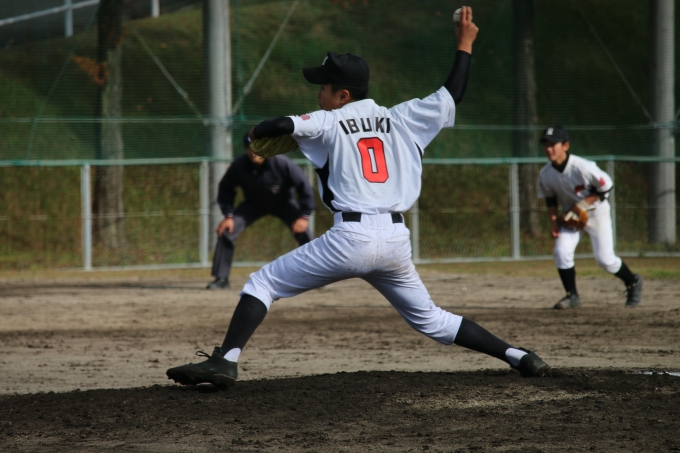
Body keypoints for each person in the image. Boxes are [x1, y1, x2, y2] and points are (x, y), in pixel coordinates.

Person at [167, 7, 549, 387]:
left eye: (323, 87)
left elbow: (279, 125)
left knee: (262, 284)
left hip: (351, 238)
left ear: (343, 95)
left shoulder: (330, 120)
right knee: (432, 319)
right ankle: (518, 356)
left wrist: (253, 135)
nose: (318, 93)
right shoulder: (403, 117)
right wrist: (464, 44)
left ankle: (226, 362)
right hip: (396, 241)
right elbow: (453, 93)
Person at [537, 125, 643, 309]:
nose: (549, 148)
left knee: (605, 260)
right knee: (561, 251)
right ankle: (572, 296)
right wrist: (553, 222)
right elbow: (550, 198)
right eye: (546, 144)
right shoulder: (546, 173)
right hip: (571, 217)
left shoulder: (582, 167)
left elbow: (607, 186)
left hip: (596, 213)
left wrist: (582, 204)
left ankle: (633, 281)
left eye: (553, 144)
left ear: (565, 145)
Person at [206, 133, 315, 289]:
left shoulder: (281, 163)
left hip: (283, 203)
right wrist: (228, 215)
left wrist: (303, 216)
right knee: (227, 231)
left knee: (305, 233)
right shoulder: (239, 165)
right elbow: (225, 189)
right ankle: (221, 279)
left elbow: (304, 186)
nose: (253, 152)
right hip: (253, 204)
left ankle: (315, 275)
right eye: (249, 148)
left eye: (257, 148)